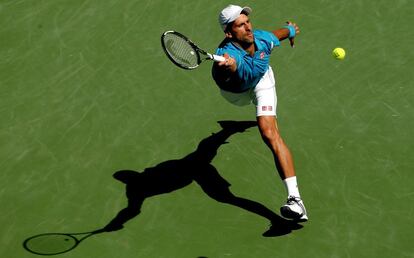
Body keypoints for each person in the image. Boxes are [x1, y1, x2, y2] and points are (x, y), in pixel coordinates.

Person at [211, 4, 308, 222]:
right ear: (229, 33)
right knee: (206, 153)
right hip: (236, 94)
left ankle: (295, 200)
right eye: (240, 25)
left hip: (262, 82)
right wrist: (227, 66)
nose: (247, 28)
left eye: (248, 22)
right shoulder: (226, 56)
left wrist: (290, 30)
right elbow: (226, 69)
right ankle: (226, 131)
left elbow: (276, 35)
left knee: (268, 132)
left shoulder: (261, 39)